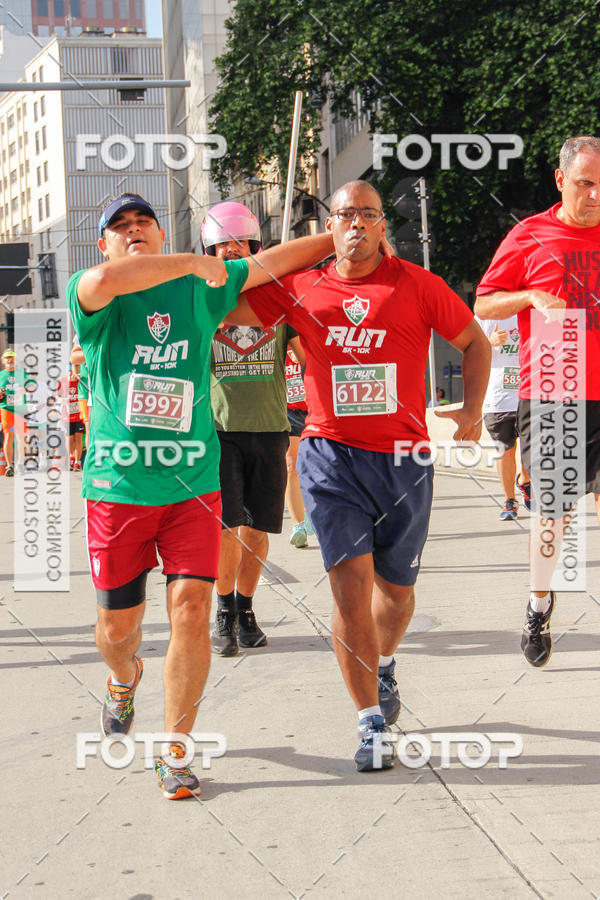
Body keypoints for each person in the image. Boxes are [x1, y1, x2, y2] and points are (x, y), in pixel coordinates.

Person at [67, 192, 334, 798]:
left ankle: (175, 749)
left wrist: (348, 233)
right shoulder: (95, 290)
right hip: (119, 486)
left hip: (193, 482)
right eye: (120, 227)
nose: (133, 232)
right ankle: (123, 678)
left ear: (161, 233)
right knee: (117, 630)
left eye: (144, 222)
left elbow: (277, 262)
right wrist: (193, 261)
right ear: (102, 242)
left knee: (190, 609)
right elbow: (111, 277)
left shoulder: (204, 290)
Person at [227, 180, 490, 771]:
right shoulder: (301, 286)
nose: (357, 225)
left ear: (382, 225)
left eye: (369, 215)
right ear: (331, 224)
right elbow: (230, 308)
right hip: (330, 455)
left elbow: (473, 341)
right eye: (346, 214)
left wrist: (471, 410)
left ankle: (386, 660)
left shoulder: (418, 285)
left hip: (405, 461)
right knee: (349, 588)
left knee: (395, 594)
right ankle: (370, 722)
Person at [475, 135, 600, 668]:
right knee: (555, 515)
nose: (594, 195)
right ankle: (539, 602)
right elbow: (483, 301)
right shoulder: (530, 235)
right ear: (560, 180)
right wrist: (527, 296)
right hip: (554, 385)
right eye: (585, 183)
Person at [202, 202, 308, 656]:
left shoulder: (279, 303)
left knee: (257, 530)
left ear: (255, 248)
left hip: (270, 429)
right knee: (226, 528)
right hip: (220, 431)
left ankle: (246, 607)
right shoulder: (200, 305)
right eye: (219, 245)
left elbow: (310, 360)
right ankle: (223, 609)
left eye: (237, 243)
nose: (229, 251)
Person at [474, 316, 533, 520]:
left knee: (532, 447)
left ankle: (525, 480)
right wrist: (488, 342)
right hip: (498, 396)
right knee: (506, 451)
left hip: (530, 391)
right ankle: (510, 500)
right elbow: (469, 349)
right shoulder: (485, 315)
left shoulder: (530, 308)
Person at [284, 342, 313, 548]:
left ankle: (311, 510)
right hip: (289, 409)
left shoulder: (312, 333)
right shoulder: (279, 335)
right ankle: (298, 525)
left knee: (315, 467)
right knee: (291, 466)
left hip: (316, 408)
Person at [0, 349, 22, 477]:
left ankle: (19, 464)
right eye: (7, 358)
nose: (10, 360)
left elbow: (32, 386)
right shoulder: (0, 375)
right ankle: (9, 466)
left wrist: (26, 389)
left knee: (20, 438)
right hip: (6, 409)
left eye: (12, 358)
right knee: (9, 436)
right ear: (3, 361)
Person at [58, 364, 84, 471]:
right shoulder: (62, 381)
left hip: (78, 413)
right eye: (68, 371)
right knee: (69, 438)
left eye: (72, 371)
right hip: (67, 415)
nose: (70, 373)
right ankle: (71, 457)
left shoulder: (80, 381)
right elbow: (57, 395)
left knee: (78, 437)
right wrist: (62, 400)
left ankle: (78, 462)